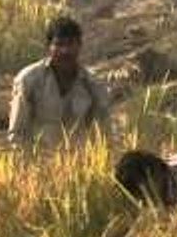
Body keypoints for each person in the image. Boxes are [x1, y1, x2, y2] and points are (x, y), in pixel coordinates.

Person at [8, 16, 112, 149]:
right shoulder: (28, 80)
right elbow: (17, 133)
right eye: (59, 44)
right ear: (48, 47)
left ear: (80, 46)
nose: (65, 51)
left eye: (70, 44)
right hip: (39, 161)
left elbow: (104, 133)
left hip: (78, 162)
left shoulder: (93, 83)